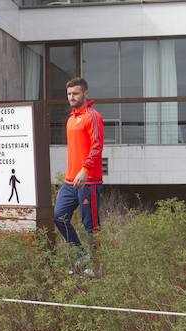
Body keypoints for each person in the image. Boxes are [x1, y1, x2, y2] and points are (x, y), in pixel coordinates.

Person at [53, 77, 104, 275]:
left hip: (88, 180)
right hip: (70, 181)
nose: (71, 97)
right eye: (69, 94)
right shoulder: (71, 119)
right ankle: (81, 256)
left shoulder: (93, 116)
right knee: (59, 217)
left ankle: (96, 266)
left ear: (85, 94)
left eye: (75, 93)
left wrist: (84, 169)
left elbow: (97, 146)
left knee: (90, 224)